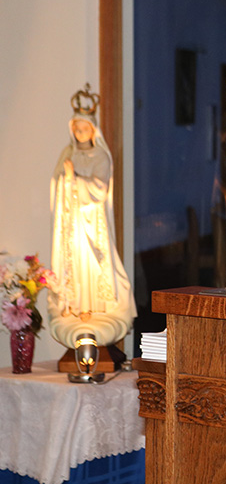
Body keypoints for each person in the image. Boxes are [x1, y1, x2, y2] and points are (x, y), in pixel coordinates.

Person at [49, 85, 137, 349]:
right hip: (72, 221)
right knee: (74, 264)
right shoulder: (68, 154)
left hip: (92, 221)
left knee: (92, 264)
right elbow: (55, 184)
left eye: (85, 129)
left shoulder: (101, 155)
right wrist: (64, 178)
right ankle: (74, 306)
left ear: (93, 130)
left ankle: (93, 306)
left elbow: (99, 188)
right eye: (76, 129)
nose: (80, 133)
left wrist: (74, 177)